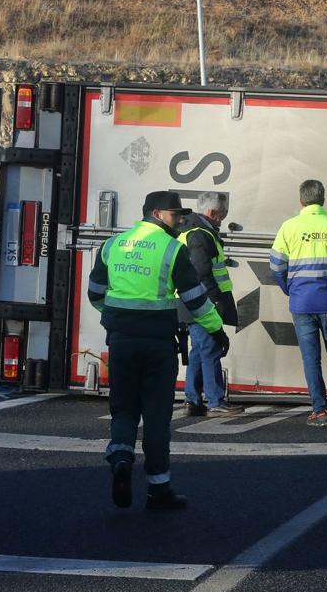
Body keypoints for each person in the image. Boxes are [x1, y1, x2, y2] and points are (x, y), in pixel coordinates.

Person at [87, 190, 229, 510]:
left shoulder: (113, 245)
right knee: (156, 415)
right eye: (175, 215)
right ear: (157, 214)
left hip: (120, 340)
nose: (179, 220)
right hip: (157, 345)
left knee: (123, 408)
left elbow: (95, 292)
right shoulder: (171, 249)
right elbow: (195, 299)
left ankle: (122, 458)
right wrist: (216, 330)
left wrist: (115, 316)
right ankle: (158, 489)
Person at [269, 180, 327, 427]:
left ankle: (320, 412)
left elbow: (276, 266)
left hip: (301, 303)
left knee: (311, 359)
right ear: (323, 199)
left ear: (301, 200)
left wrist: (290, 289)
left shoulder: (289, 227)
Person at [179, 191, 243, 417]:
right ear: (212, 212)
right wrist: (215, 300)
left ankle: (192, 399)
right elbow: (202, 273)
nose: (222, 220)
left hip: (191, 302)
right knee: (210, 349)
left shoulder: (191, 230)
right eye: (222, 215)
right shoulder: (200, 234)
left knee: (198, 350)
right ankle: (216, 401)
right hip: (202, 303)